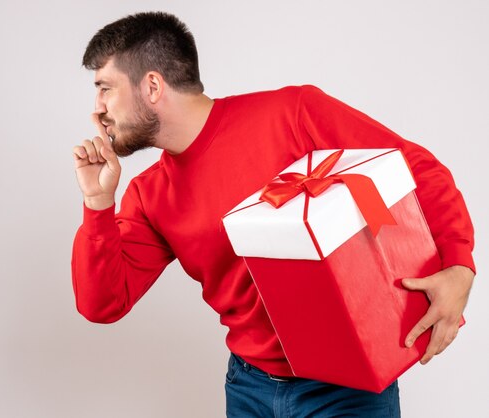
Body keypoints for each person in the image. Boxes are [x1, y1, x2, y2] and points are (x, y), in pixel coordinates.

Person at [71, 11, 475, 417]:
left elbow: (416, 168)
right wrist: (97, 203)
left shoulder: (292, 113)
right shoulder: (149, 194)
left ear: (153, 86)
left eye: (105, 88)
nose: (98, 108)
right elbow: (102, 304)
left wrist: (459, 265)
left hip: (347, 390)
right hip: (249, 389)